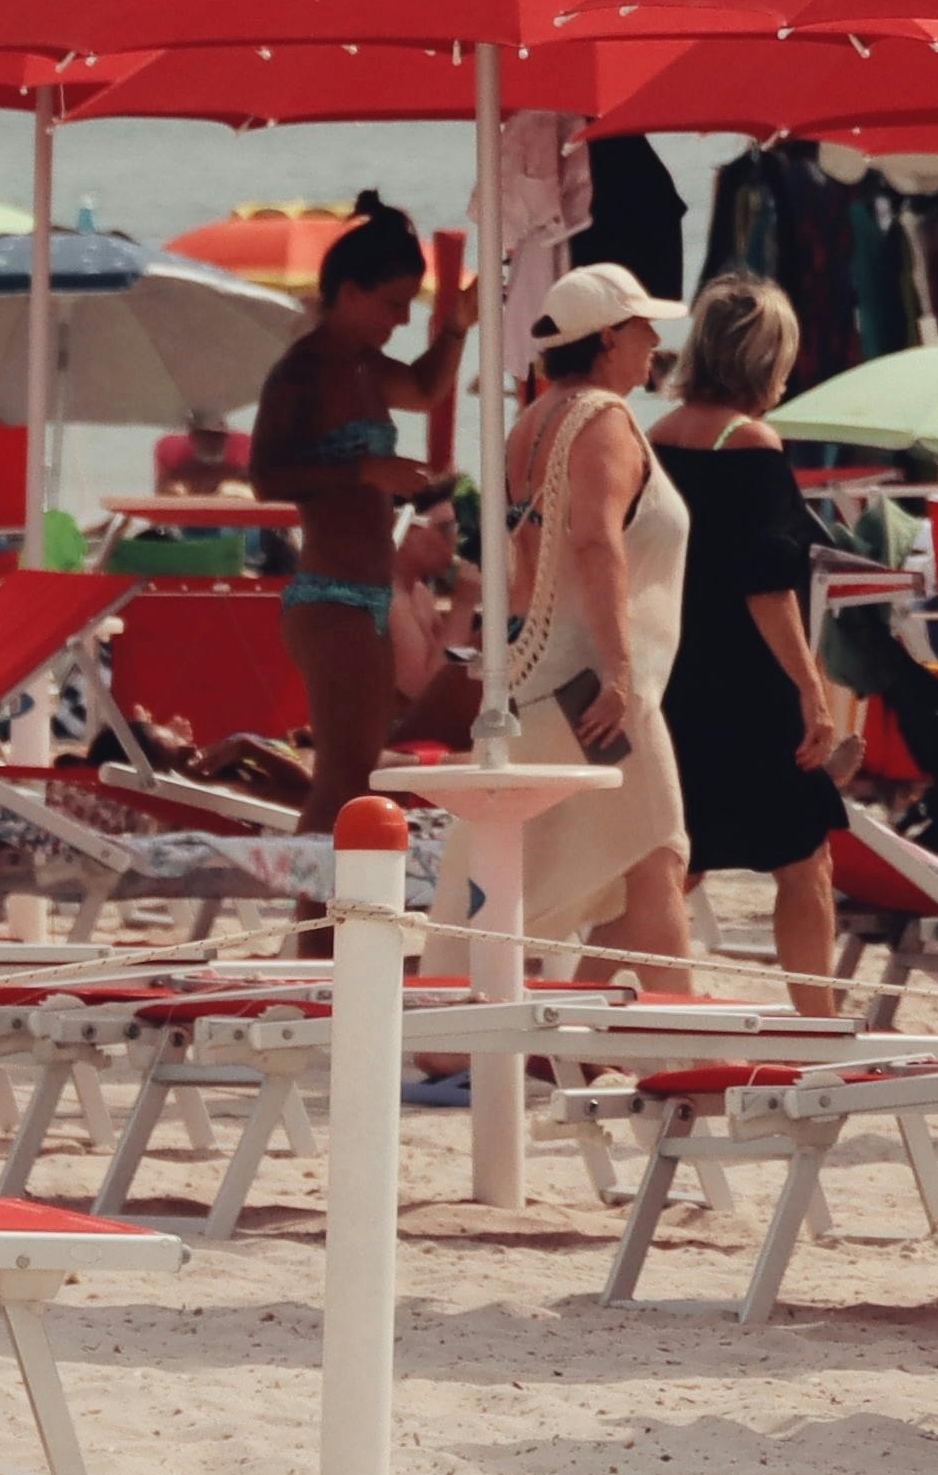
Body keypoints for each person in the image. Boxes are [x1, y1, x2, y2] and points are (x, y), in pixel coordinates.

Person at [650, 271, 857, 999]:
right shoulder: (751, 444)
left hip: (678, 675)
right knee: (803, 861)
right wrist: (810, 688)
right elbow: (766, 585)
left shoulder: (656, 439)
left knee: (675, 862)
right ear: (766, 360)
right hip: (749, 681)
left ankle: (598, 1000)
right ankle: (819, 1021)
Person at [492, 265, 696, 979]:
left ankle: (613, 1043)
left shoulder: (534, 420)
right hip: (596, 688)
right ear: (609, 338)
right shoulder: (602, 419)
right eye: (644, 327)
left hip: (542, 674)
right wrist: (618, 672)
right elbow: (594, 540)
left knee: (631, 858)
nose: (655, 340)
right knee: (658, 852)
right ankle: (678, 1048)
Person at [242, 195, 470, 821]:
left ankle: (334, 912)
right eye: (392, 304)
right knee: (344, 779)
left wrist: (456, 328)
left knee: (362, 772)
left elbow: (425, 392)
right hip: (330, 595)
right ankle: (317, 918)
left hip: (370, 596)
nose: (399, 320)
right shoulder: (302, 372)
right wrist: (364, 471)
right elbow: (266, 476)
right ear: (348, 291)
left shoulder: (368, 367)